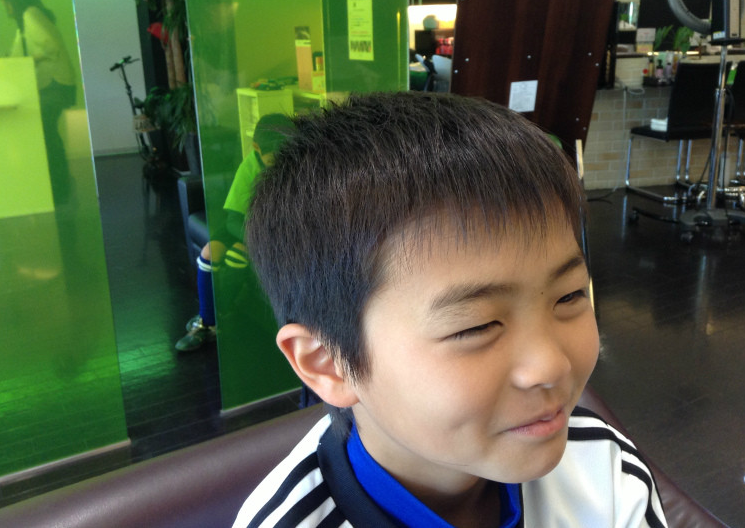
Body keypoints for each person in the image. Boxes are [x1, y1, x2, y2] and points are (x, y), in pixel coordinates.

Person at [234, 92, 667, 527]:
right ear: (328, 363)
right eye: (477, 326)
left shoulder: (606, 473)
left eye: (569, 296)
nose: (551, 366)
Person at [175, 114, 290, 351]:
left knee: (237, 255)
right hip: (242, 225)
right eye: (272, 158)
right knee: (210, 252)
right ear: (256, 148)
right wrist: (252, 239)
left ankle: (216, 317)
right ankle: (207, 319)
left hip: (271, 231)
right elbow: (233, 220)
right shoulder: (250, 167)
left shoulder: (294, 165)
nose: (277, 162)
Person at [0, 0, 77, 205]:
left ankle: (59, 187)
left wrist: (29, 60)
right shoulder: (27, 17)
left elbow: (51, 47)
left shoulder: (30, 15)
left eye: (4, 0)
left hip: (55, 85)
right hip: (56, 86)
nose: (4, 5)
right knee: (47, 133)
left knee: (46, 133)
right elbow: (17, 51)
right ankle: (59, 185)